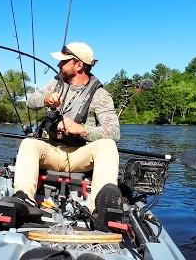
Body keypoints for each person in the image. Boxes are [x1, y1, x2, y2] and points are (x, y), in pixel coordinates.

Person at [10, 41, 121, 219]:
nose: (59, 64)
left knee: (107, 146)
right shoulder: (55, 82)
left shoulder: (100, 95)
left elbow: (114, 132)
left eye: (63, 61)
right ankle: (24, 200)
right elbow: (31, 101)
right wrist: (45, 99)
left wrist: (83, 130)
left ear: (79, 65)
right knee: (29, 144)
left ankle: (99, 210)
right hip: (52, 150)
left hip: (80, 155)